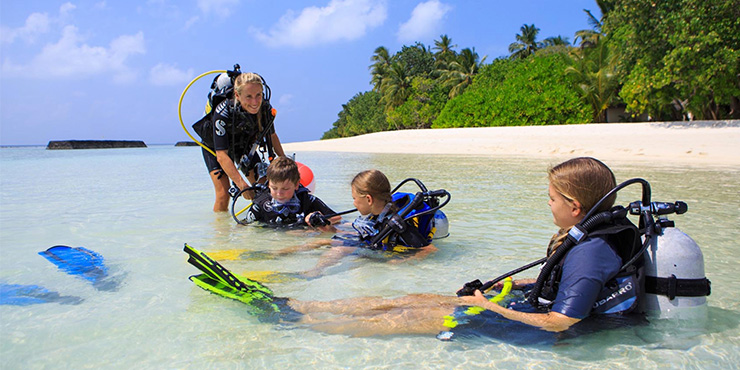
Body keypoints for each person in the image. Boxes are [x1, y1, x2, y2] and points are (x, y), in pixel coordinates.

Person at [186, 157, 642, 340]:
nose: (547, 205)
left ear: (576, 206)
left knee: (404, 318)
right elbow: (562, 287)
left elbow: (560, 322)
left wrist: (491, 306)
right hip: (519, 300)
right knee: (408, 299)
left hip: (529, 325)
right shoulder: (590, 239)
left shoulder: (590, 252)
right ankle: (297, 305)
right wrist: (510, 284)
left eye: (551, 199)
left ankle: (300, 324)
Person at [231, 169, 440, 278]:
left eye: (354, 199)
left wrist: (399, 263)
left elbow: (429, 250)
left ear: (368, 200)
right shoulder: (376, 216)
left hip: (379, 249)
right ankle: (278, 254)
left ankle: (313, 273)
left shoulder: (396, 223)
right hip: (371, 243)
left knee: (338, 247)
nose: (352, 203)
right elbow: (358, 230)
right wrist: (326, 228)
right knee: (324, 240)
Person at [200, 72, 285, 212]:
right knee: (223, 194)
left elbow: (272, 136)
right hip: (215, 148)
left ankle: (260, 225)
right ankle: (221, 231)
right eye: (249, 96)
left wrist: (285, 162)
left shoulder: (265, 109)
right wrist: (241, 185)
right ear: (237, 95)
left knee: (263, 188)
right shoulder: (223, 112)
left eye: (258, 95)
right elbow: (221, 155)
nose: (254, 102)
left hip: (243, 146)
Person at [241, 156, 339, 230]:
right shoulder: (261, 204)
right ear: (268, 185)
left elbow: (337, 218)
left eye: (285, 189)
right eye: (274, 188)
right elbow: (244, 227)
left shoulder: (306, 200)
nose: (279, 193)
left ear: (296, 185)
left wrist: (319, 218)